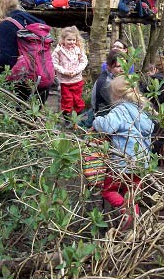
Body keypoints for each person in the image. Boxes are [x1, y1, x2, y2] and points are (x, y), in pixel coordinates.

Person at [92, 75, 154, 230]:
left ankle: (124, 210)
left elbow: (108, 126)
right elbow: (151, 128)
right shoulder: (142, 110)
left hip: (122, 163)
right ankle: (135, 222)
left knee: (108, 190)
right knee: (133, 195)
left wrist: (96, 121)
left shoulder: (120, 110)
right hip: (141, 164)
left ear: (115, 95)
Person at [0, 0, 50, 102]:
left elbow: (8, 60)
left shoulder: (7, 25)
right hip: (41, 83)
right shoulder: (29, 18)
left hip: (21, 89)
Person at [52, 26, 88, 117]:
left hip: (77, 80)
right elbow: (54, 64)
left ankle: (79, 118)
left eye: (74, 40)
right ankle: (66, 118)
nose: (72, 42)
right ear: (63, 40)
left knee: (77, 99)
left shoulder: (78, 50)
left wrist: (76, 71)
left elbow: (84, 61)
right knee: (67, 100)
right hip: (65, 81)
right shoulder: (58, 51)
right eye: (69, 40)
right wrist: (64, 71)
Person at [91, 50, 123, 116]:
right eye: (118, 66)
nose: (122, 69)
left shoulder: (114, 75)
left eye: (124, 65)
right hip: (102, 114)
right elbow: (117, 105)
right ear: (109, 66)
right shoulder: (107, 83)